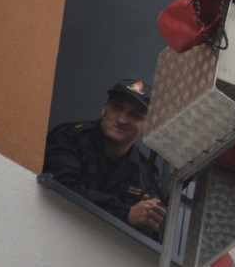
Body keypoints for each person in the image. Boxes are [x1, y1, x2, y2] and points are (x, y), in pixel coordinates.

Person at [43, 79, 167, 239]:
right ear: (104, 108)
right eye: (117, 107)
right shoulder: (69, 138)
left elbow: (151, 232)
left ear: (147, 127)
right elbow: (63, 190)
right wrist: (126, 213)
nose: (122, 119)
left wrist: (148, 217)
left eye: (135, 115)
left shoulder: (147, 172)